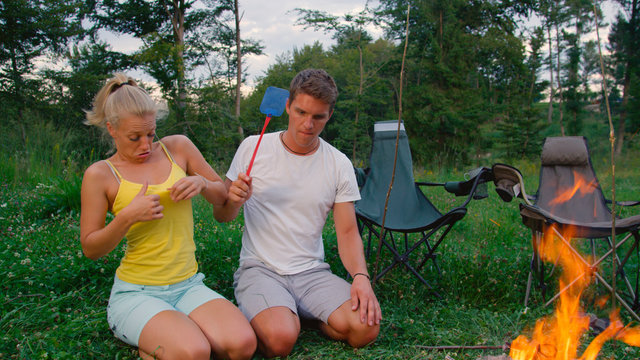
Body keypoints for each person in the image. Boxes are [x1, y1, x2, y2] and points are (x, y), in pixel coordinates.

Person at [80, 73, 256, 360]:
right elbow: (90, 247)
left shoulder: (177, 148)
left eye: (151, 134)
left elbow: (222, 198)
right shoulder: (100, 175)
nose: (146, 145)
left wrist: (202, 183)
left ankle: (168, 338)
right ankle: (154, 342)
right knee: (195, 352)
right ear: (112, 129)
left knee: (242, 345)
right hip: (137, 293)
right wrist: (126, 217)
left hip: (188, 285)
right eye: (134, 137)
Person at [216, 68, 381, 357]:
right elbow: (223, 215)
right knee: (280, 341)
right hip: (261, 269)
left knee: (365, 329)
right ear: (287, 106)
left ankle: (305, 317)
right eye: (301, 112)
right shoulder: (252, 148)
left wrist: (361, 277)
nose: (308, 124)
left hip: (312, 273)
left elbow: (346, 231)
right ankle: (283, 316)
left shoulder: (338, 164)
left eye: (318, 116)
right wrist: (233, 199)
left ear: (329, 115)